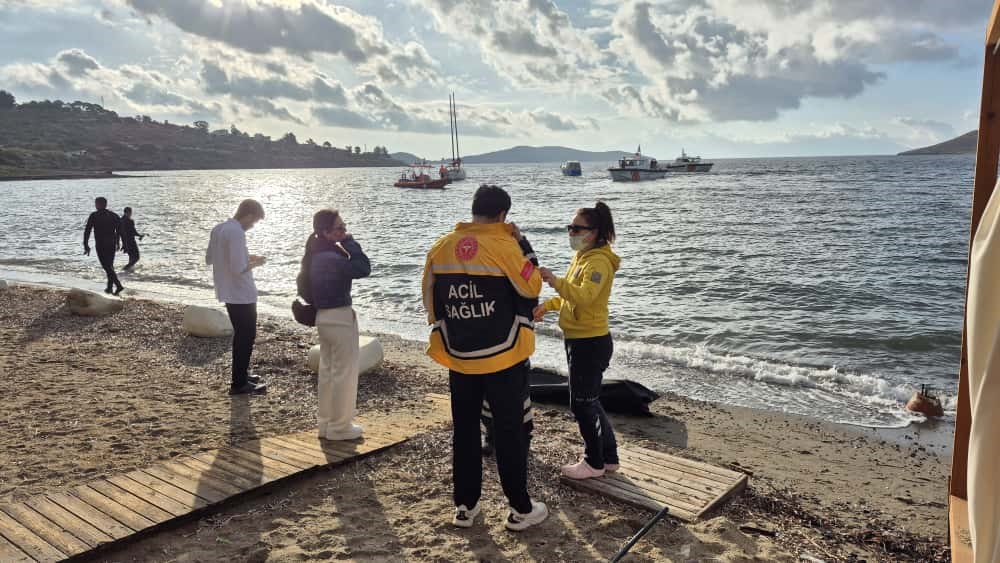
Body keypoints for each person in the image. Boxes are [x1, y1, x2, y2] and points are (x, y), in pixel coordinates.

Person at [422, 184, 548, 531]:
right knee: (509, 433)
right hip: (504, 357)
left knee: (464, 431)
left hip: (461, 357)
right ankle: (520, 509)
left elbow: (431, 303)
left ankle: (465, 507)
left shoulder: (441, 247)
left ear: (474, 209)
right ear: (503, 215)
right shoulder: (506, 247)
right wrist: (523, 244)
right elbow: (532, 285)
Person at [535, 201, 621, 480]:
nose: (571, 232)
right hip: (579, 339)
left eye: (576, 228)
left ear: (593, 232)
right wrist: (547, 306)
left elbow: (585, 297)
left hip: (590, 342)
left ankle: (593, 462)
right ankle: (608, 457)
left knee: (582, 403)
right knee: (590, 400)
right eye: (569, 227)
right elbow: (571, 295)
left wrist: (554, 280)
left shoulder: (598, 262)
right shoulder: (582, 257)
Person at [298, 209, 371, 440]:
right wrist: (350, 243)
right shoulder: (330, 257)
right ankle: (340, 427)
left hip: (324, 318)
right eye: (340, 228)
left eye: (344, 227)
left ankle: (326, 424)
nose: (344, 231)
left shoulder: (316, 254)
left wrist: (344, 241)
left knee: (329, 373)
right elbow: (363, 268)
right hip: (339, 318)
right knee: (344, 375)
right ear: (326, 232)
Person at [206, 199, 267, 396]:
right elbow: (238, 268)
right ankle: (239, 383)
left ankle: (241, 375)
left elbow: (211, 258)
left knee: (242, 334)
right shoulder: (237, 232)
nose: (253, 225)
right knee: (246, 336)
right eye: (254, 221)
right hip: (241, 292)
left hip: (228, 290)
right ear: (248, 215)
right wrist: (257, 263)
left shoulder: (219, 228)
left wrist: (247, 257)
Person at [83, 196, 124, 295]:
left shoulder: (94, 215)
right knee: (110, 266)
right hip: (111, 243)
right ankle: (109, 288)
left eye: (96, 203)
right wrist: (120, 243)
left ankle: (118, 285)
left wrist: (86, 244)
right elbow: (120, 231)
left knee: (107, 266)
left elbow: (87, 230)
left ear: (99, 204)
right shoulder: (114, 215)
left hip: (101, 244)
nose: (95, 205)